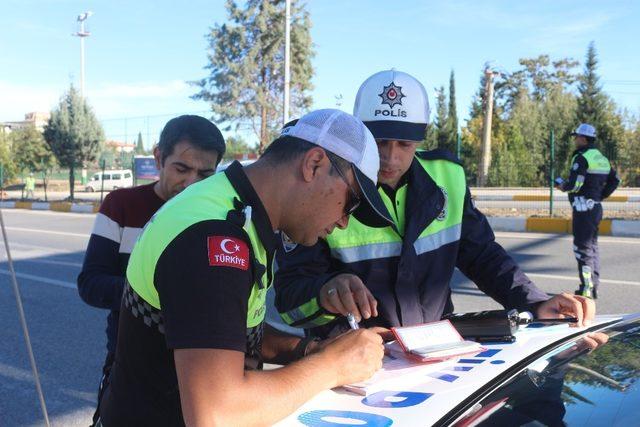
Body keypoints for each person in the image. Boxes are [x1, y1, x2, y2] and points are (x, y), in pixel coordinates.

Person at [98, 109, 390, 426]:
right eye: (351, 202)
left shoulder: (232, 206)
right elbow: (218, 413)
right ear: (313, 164)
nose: (345, 222)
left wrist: (312, 349)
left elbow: (223, 331)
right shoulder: (215, 238)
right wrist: (333, 366)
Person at [273, 70, 596, 339]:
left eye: (405, 143)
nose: (390, 157)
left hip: (440, 355)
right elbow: (290, 300)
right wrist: (326, 293)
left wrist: (535, 302)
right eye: (379, 141)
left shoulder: (449, 177)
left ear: (421, 138)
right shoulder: (326, 187)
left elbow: (483, 256)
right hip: (352, 364)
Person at [77, 115, 226, 426]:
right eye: (181, 169)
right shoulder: (121, 205)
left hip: (200, 375)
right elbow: (91, 283)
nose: (191, 184)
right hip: (131, 372)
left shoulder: (222, 217)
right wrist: (158, 295)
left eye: (205, 174)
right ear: (159, 157)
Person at [555, 123, 619, 299]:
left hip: (583, 208)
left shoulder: (582, 157)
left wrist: (562, 186)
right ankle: (593, 286)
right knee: (592, 247)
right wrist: (600, 196)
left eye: (576, 136)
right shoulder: (601, 158)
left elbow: (575, 185)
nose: (575, 139)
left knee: (582, 249)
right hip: (595, 207)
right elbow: (616, 180)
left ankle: (586, 289)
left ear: (583, 138)